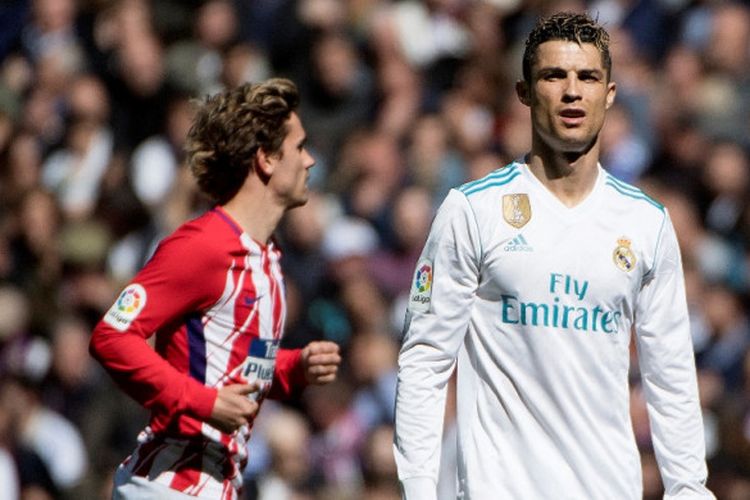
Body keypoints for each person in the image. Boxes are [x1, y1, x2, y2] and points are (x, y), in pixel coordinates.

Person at [393, 12, 714, 500]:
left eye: (587, 77)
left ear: (609, 94)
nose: (571, 92)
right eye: (553, 76)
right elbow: (425, 359)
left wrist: (688, 488)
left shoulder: (646, 224)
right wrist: (417, 488)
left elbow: (669, 372)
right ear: (524, 93)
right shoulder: (473, 210)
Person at [89, 78, 341, 499]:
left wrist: (294, 368)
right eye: (299, 147)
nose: (310, 160)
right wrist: (203, 402)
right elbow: (111, 336)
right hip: (168, 485)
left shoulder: (268, 262)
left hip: (215, 485)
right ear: (266, 159)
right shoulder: (201, 246)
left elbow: (239, 371)